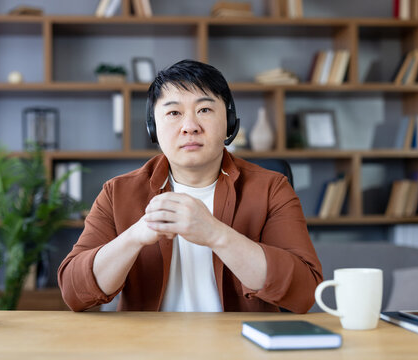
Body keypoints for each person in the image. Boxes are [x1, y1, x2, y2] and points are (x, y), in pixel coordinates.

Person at [58, 59, 322, 313]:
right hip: (147, 346)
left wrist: (218, 235)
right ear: (153, 127)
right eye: (174, 112)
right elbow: (74, 293)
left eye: (204, 110)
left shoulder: (272, 188)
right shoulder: (117, 193)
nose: (190, 127)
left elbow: (304, 292)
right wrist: (135, 236)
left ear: (230, 123)